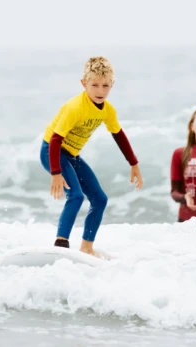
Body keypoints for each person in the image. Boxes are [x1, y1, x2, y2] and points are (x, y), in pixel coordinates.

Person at [40, 56, 143, 256]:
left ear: (112, 84)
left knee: (100, 199)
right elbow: (54, 140)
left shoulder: (107, 110)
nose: (100, 91)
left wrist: (134, 163)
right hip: (52, 151)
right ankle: (60, 244)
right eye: (94, 85)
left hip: (71, 155)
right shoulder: (75, 107)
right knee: (76, 196)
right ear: (84, 84)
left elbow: (119, 135)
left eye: (106, 86)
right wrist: (55, 173)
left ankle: (87, 247)